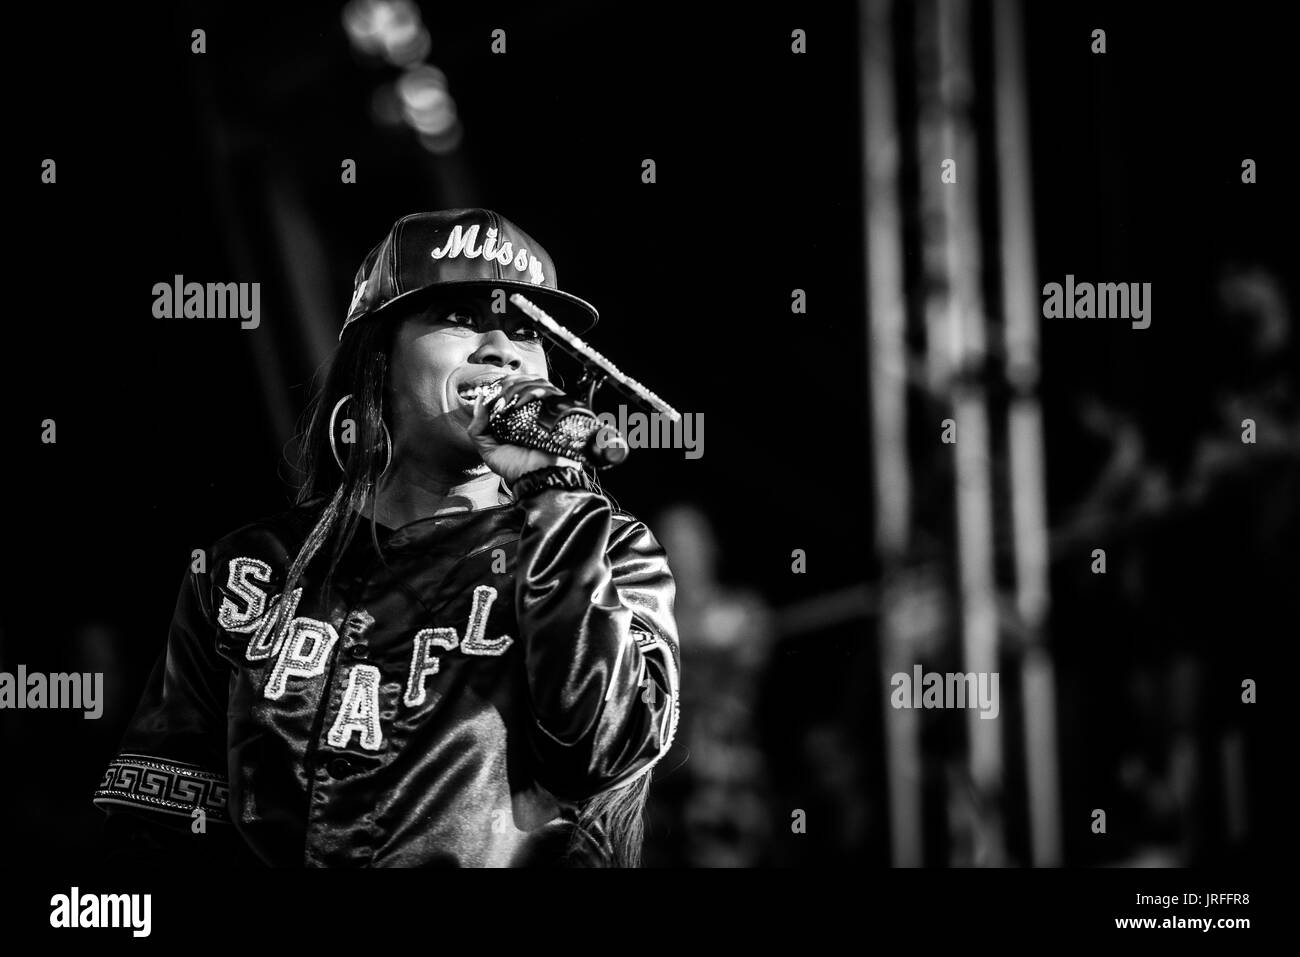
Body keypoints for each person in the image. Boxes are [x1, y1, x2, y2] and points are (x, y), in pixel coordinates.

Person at [93, 209, 681, 867]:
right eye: (460, 317)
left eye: (525, 330)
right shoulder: (247, 568)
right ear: (377, 356)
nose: (502, 348)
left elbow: (601, 749)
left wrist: (557, 492)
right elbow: (156, 831)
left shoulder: (606, 549)